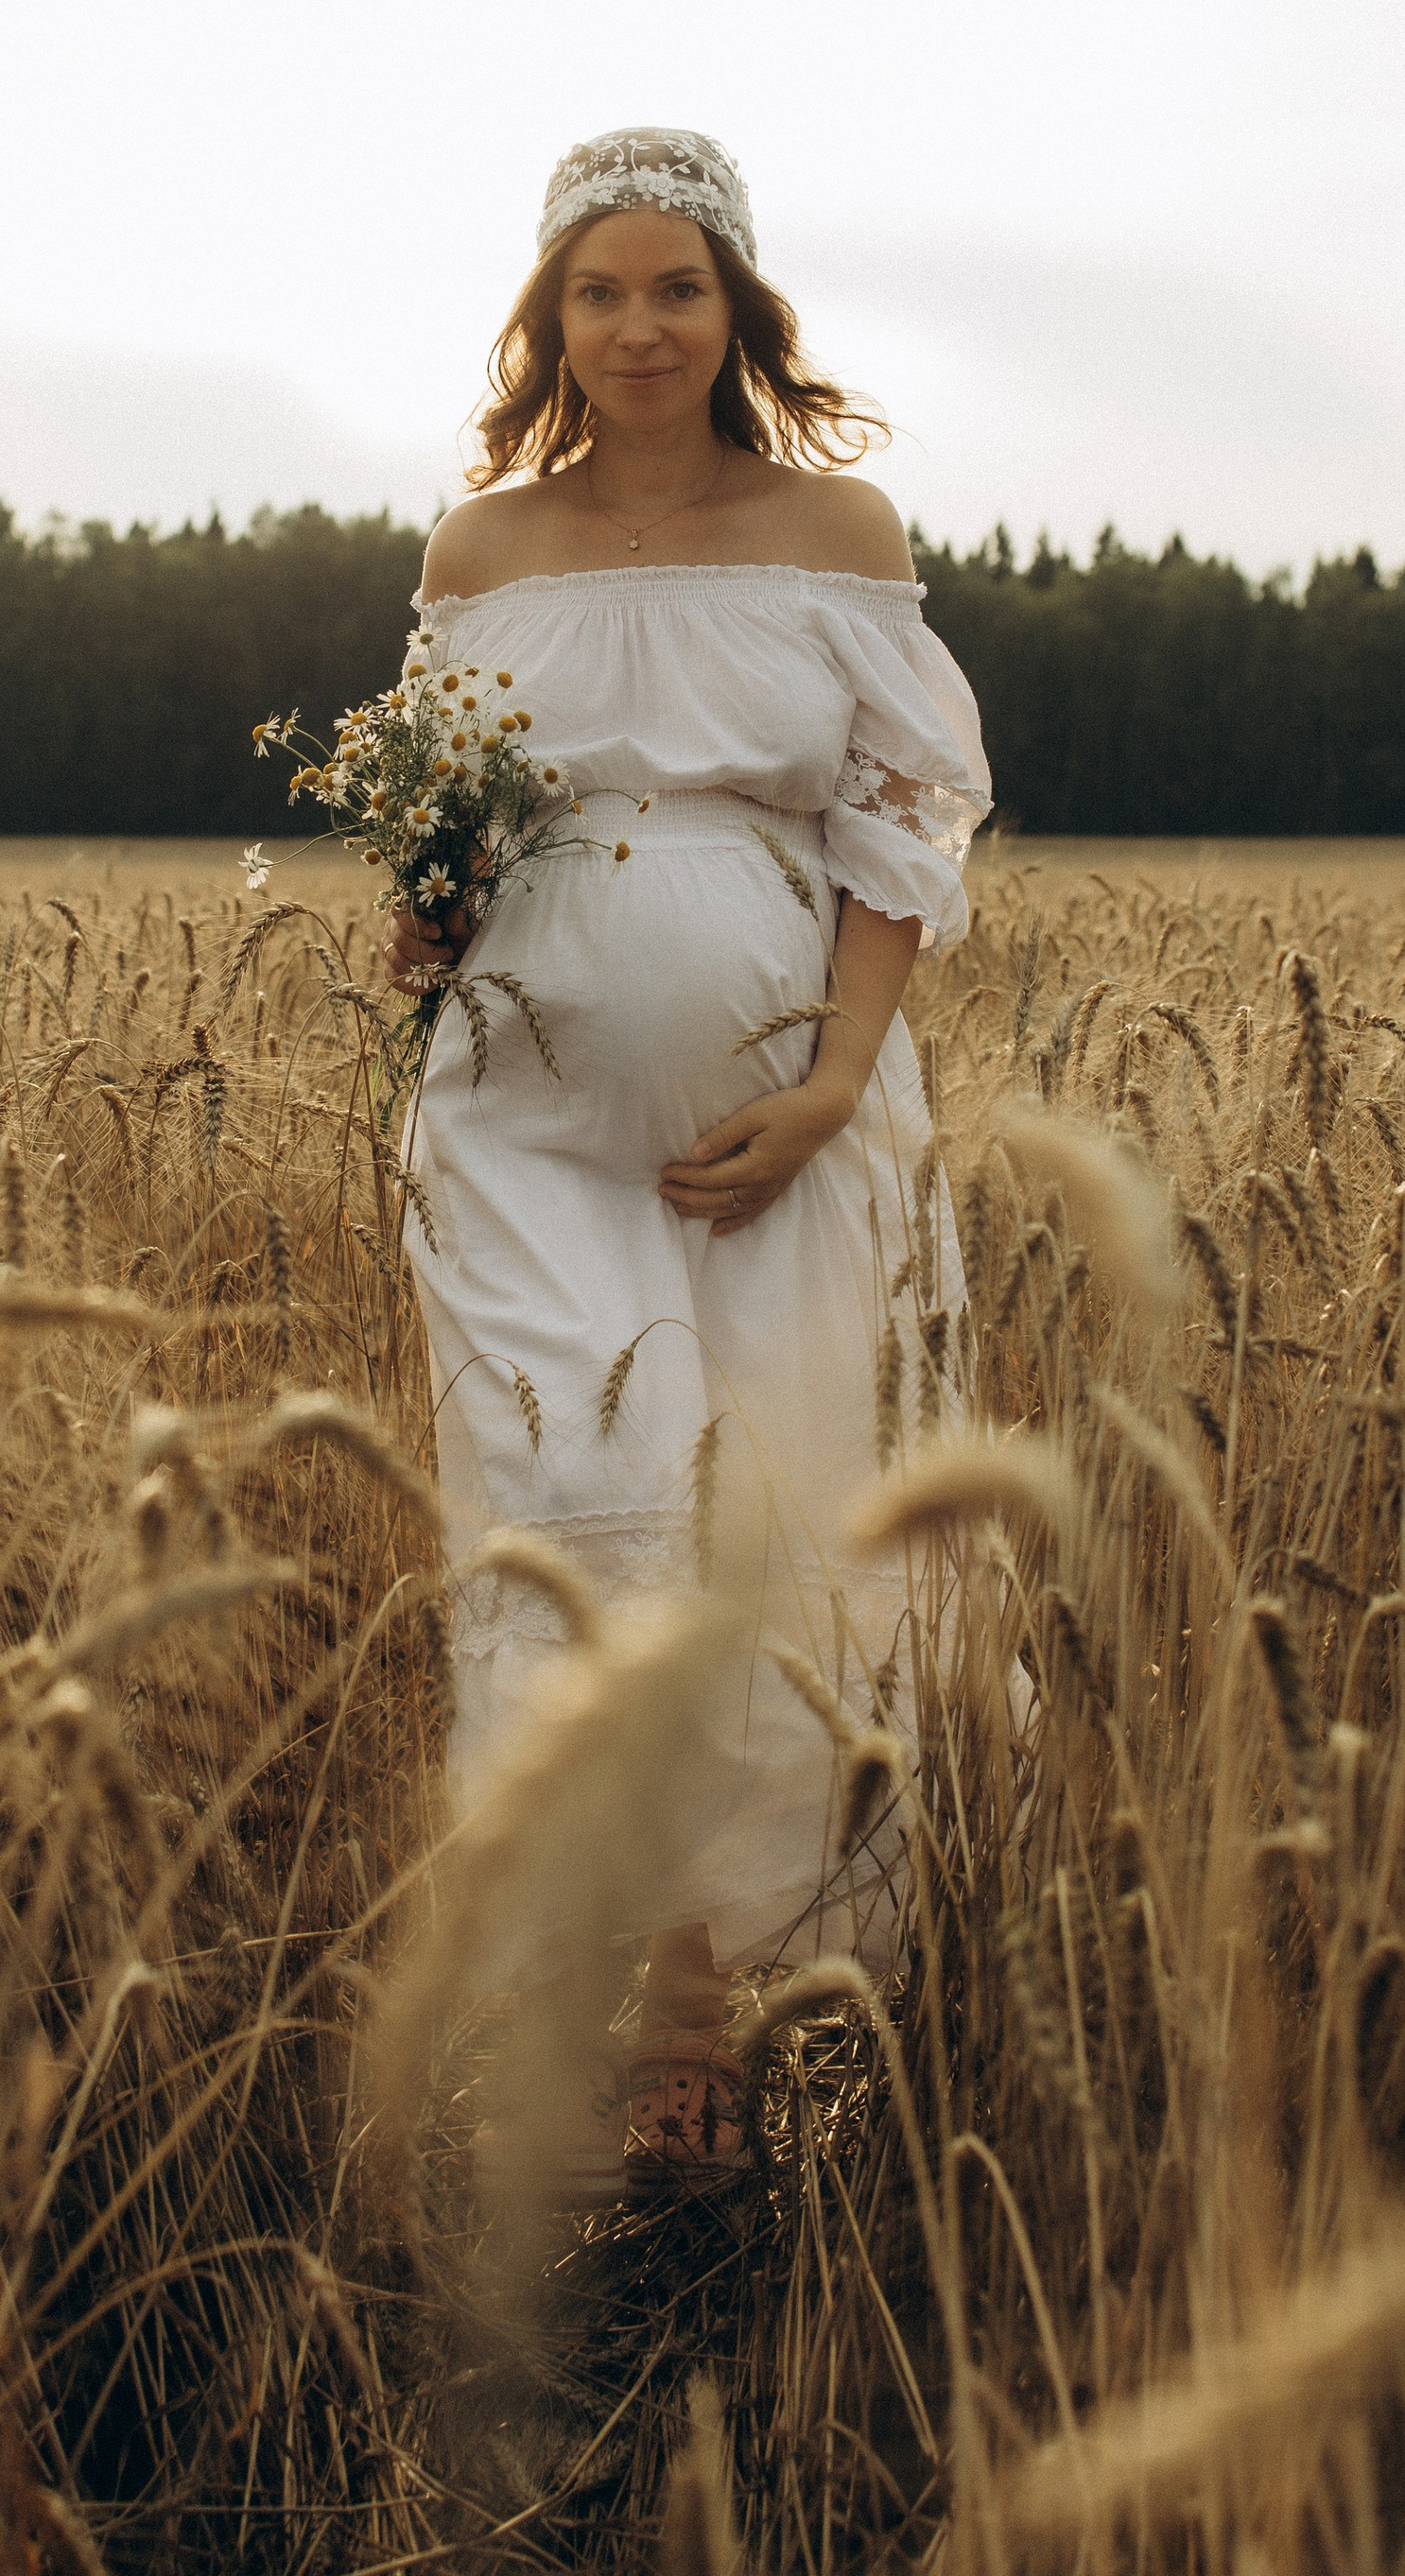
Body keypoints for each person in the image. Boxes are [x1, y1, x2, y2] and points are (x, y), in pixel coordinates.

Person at [387, 130, 991, 2197]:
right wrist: (425, 915)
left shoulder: (830, 524)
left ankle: (737, 2003)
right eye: (595, 292)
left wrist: (832, 1085)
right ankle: (630, 1991)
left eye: (674, 287)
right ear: (546, 320)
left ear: (736, 308)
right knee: (581, 1506)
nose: (635, 327)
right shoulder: (478, 551)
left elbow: (902, 821)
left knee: (775, 1516)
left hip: (780, 1120)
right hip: (518, 1110)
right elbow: (439, 813)